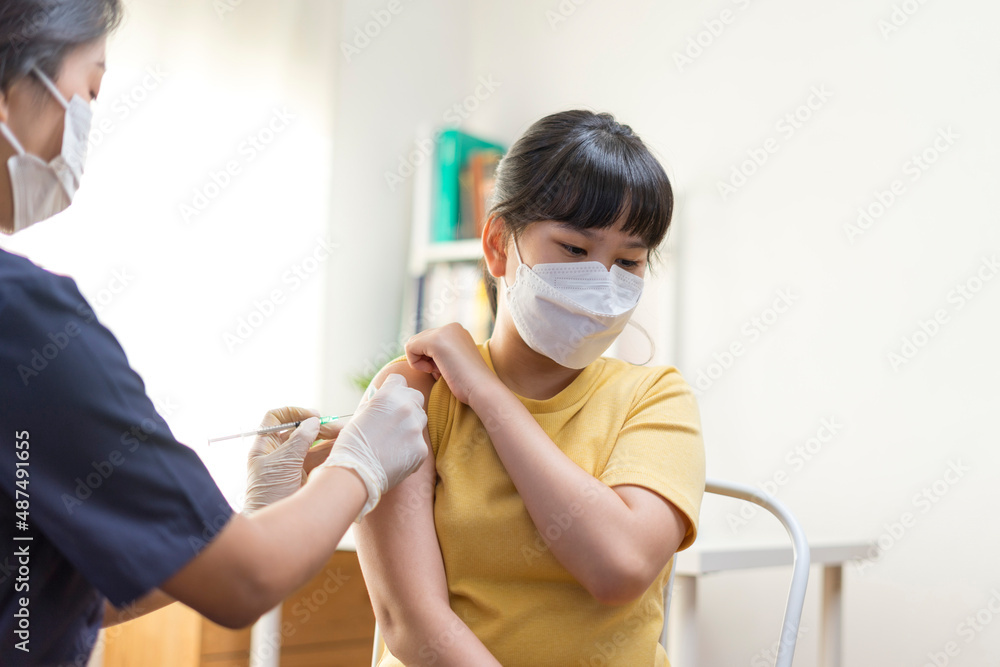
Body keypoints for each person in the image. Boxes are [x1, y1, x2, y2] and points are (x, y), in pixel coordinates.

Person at [0, 1, 427, 664]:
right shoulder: (24, 321)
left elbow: (32, 597)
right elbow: (242, 583)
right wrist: (359, 464)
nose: (86, 122)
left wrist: (243, 524)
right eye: (90, 91)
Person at [356, 110, 707, 666]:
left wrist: (487, 394)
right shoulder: (415, 392)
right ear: (499, 243)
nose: (601, 283)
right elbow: (411, 621)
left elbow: (619, 568)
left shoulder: (657, 397)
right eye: (575, 249)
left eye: (628, 261)